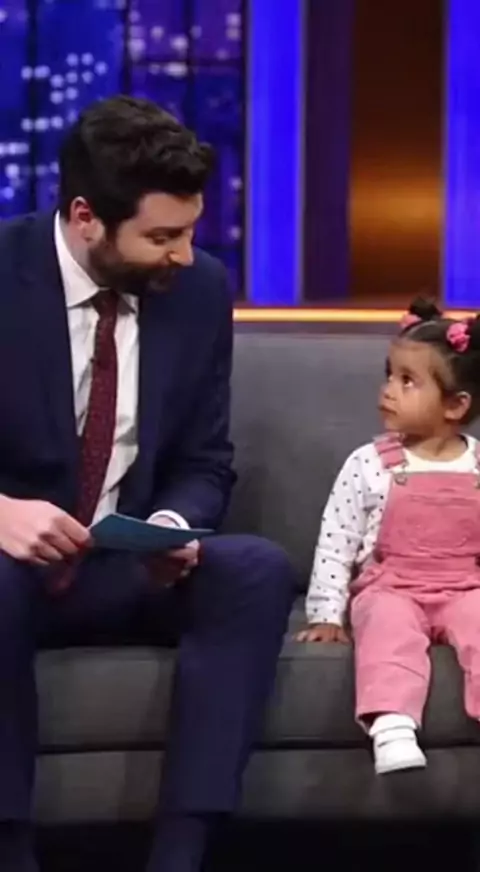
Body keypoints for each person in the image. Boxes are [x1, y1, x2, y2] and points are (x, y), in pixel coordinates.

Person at [0, 95, 295, 872]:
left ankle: (181, 852)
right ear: (86, 218)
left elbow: (205, 458)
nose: (184, 255)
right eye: (162, 237)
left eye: (191, 231)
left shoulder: (197, 292)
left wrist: (172, 526)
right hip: (12, 570)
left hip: (125, 564)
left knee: (255, 568)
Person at [298, 298, 480, 776]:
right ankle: (393, 726)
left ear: (456, 405)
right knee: (387, 629)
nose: (388, 390)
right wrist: (326, 613)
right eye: (389, 375)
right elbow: (336, 539)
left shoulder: (478, 466)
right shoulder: (370, 463)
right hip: (392, 587)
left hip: (465, 587)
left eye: (407, 381)